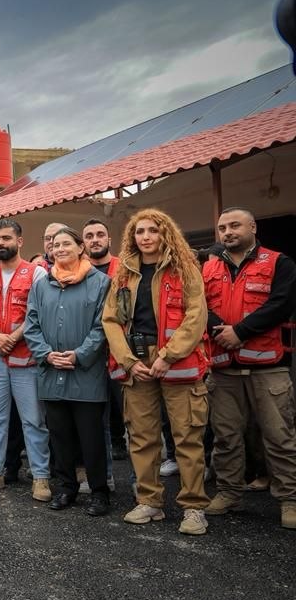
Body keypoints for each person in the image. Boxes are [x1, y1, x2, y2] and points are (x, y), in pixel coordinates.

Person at [102, 208, 211, 536]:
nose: (146, 237)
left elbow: (196, 316)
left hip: (176, 361)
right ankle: (150, 502)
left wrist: (167, 356)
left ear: (166, 234)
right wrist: (128, 360)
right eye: (139, 231)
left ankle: (193, 508)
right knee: (142, 437)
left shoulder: (186, 269)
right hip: (137, 363)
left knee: (187, 438)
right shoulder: (124, 274)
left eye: (153, 230)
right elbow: (111, 320)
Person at [202, 207, 296, 530]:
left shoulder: (279, 263)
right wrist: (221, 333)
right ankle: (230, 493)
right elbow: (199, 307)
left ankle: (290, 499)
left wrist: (239, 332)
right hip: (223, 369)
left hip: (268, 368)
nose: (227, 232)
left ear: (253, 227)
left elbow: (281, 304)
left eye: (235, 225)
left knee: (279, 436)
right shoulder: (208, 268)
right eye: (222, 227)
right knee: (226, 437)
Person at [24, 227, 112, 516]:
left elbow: (103, 326)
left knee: (91, 437)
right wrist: (46, 354)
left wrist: (80, 355)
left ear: (80, 248)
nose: (59, 249)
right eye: (55, 245)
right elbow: (32, 325)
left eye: (66, 244)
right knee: (59, 435)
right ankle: (65, 488)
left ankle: (99, 492)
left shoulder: (100, 283)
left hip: (86, 374)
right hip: (51, 373)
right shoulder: (41, 285)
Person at [0, 219, 51, 502]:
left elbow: (37, 313)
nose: (0, 243)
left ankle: (41, 477)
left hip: (25, 358)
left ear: (20, 241)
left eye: (6, 238)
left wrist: (12, 337)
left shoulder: (36, 274)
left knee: (33, 420)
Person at [83, 218, 129, 462]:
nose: (95, 239)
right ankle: (103, 473)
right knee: (95, 415)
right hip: (90, 353)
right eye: (89, 236)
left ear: (109, 240)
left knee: (128, 410)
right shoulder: (78, 272)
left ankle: (137, 475)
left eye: (100, 234)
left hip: (119, 351)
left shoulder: (125, 269)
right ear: (84, 243)